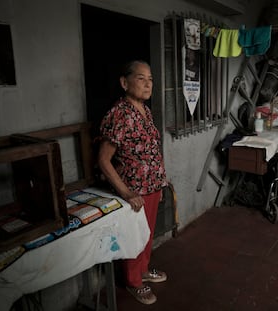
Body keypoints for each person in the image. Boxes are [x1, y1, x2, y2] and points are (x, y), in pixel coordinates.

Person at [98, 60, 168, 305]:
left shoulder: (144, 110)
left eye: (150, 79)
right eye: (141, 78)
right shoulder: (120, 114)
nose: (148, 84)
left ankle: (143, 269)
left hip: (152, 186)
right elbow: (104, 160)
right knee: (134, 235)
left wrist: (161, 179)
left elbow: (150, 149)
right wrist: (127, 193)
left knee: (146, 234)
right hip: (134, 190)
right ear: (124, 82)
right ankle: (133, 281)